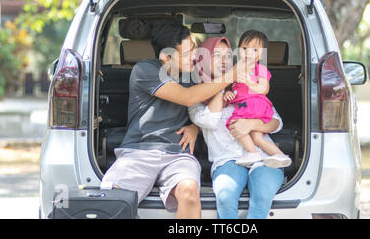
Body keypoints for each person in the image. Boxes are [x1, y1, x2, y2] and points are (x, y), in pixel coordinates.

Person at [101, 20, 241, 219]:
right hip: (140, 151)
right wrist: (230, 77)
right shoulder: (144, 70)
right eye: (186, 54)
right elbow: (188, 97)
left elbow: (213, 110)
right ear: (166, 58)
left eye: (193, 48)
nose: (194, 56)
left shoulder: (195, 74)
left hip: (178, 155)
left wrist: (195, 126)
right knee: (113, 198)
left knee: (190, 193)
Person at [189, 36, 285, 219]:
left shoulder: (247, 85)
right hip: (227, 161)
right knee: (225, 197)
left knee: (263, 195)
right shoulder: (194, 98)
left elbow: (276, 123)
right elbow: (209, 121)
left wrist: (252, 124)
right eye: (216, 55)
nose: (224, 60)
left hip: (264, 157)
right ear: (203, 60)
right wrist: (223, 86)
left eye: (227, 55)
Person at [225, 30, 291, 168]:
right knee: (257, 137)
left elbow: (264, 89)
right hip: (249, 105)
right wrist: (228, 93)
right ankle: (280, 156)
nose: (248, 53)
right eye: (244, 48)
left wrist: (250, 82)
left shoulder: (259, 69)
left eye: (254, 50)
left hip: (254, 104)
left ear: (261, 54)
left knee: (235, 123)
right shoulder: (235, 69)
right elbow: (230, 86)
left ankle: (252, 152)